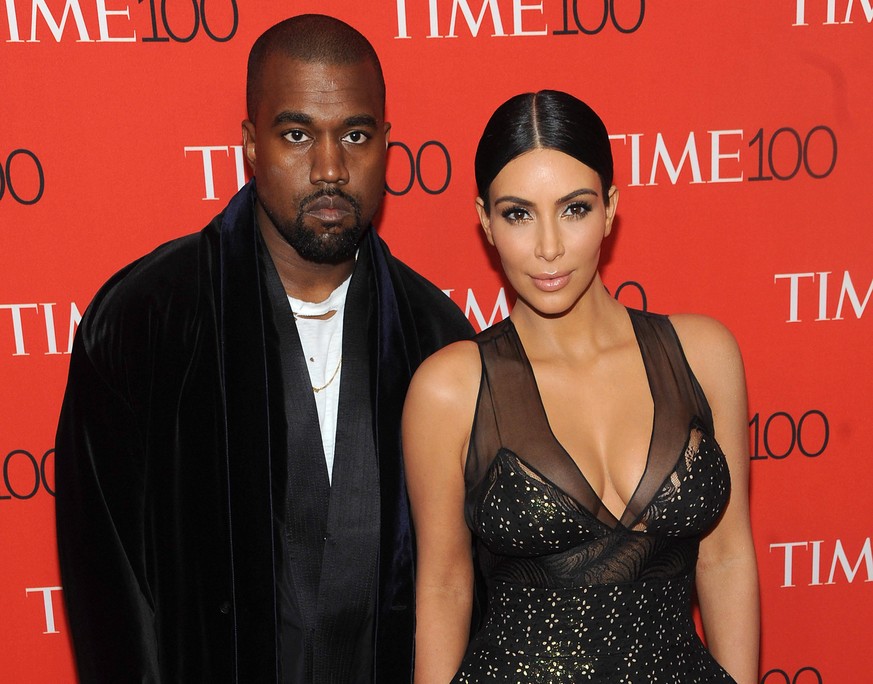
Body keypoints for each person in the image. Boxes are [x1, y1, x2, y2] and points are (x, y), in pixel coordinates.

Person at [55, 14, 472, 683]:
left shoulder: (439, 342)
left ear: (388, 145)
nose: (331, 168)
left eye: (356, 135)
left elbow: (465, 596)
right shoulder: (144, 323)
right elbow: (110, 599)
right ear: (251, 143)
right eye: (297, 133)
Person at [402, 90, 760, 682]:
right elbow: (444, 588)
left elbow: (725, 558)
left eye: (574, 209)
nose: (549, 247)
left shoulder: (704, 354)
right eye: (518, 213)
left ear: (611, 208)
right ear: (485, 220)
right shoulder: (451, 388)